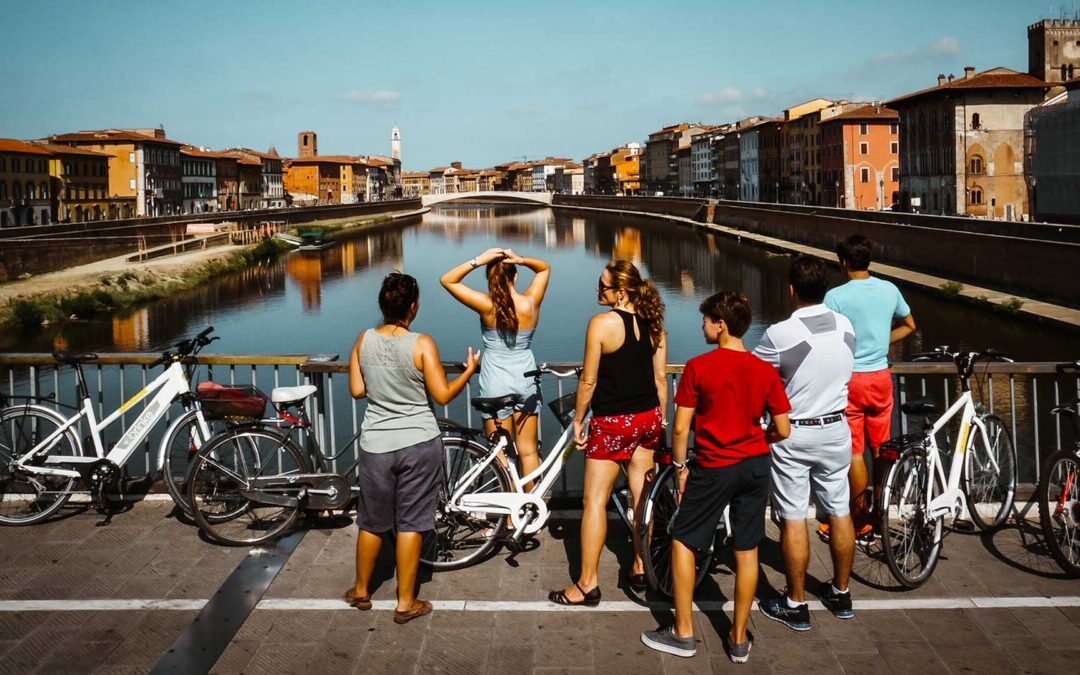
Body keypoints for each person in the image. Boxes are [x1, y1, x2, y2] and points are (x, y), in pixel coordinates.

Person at [641, 291, 790, 662]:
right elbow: (783, 429)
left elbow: (681, 430)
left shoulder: (698, 367)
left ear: (720, 325)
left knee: (683, 538)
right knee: (747, 547)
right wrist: (757, 438)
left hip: (714, 465)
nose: (702, 325)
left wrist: (678, 468)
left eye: (705, 320)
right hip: (755, 466)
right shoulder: (765, 370)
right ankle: (739, 639)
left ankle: (684, 631)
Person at [345, 272, 480, 624]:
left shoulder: (364, 339)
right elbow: (443, 395)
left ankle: (361, 590)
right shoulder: (422, 344)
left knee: (372, 521)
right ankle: (406, 603)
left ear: (383, 304)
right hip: (418, 442)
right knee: (411, 523)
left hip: (376, 442)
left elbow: (357, 391)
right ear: (414, 306)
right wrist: (468, 371)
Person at [549, 260, 667, 605]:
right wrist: (659, 420)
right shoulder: (654, 325)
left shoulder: (601, 324)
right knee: (642, 500)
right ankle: (640, 565)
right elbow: (661, 379)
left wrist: (578, 419)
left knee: (595, 502)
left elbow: (588, 379)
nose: (597, 291)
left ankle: (587, 583)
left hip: (613, 421)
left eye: (603, 286)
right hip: (647, 418)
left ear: (621, 291)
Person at [753, 255, 857, 631]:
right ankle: (841, 593)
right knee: (839, 510)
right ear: (824, 289)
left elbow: (755, 376)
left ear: (792, 289)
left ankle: (796, 603)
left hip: (794, 432)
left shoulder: (782, 333)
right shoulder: (845, 325)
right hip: (836, 428)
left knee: (794, 517)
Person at [820, 234, 916, 540]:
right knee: (881, 447)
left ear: (845, 263)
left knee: (854, 452)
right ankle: (882, 510)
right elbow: (910, 325)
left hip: (850, 380)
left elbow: (822, 337)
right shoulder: (889, 289)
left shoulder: (835, 297)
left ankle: (860, 519)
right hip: (880, 378)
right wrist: (880, 343)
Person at [440, 248, 550, 485]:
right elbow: (544, 268)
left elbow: (447, 279)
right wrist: (521, 258)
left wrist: (478, 259)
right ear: (516, 276)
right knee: (528, 450)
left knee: (499, 452)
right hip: (526, 378)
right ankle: (529, 514)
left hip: (495, 381)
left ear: (490, 278)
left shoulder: (486, 305)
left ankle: (509, 518)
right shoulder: (530, 302)